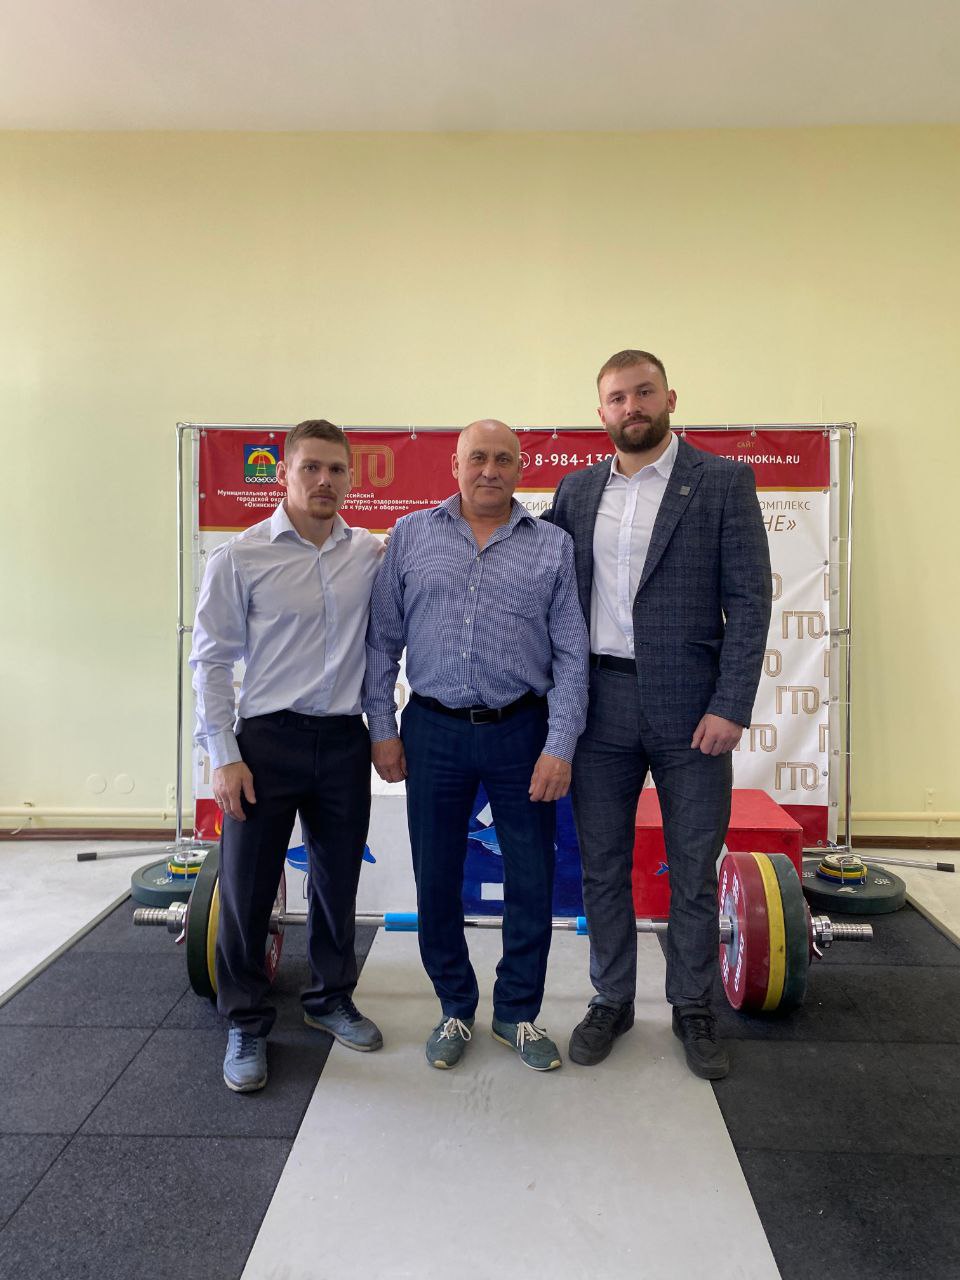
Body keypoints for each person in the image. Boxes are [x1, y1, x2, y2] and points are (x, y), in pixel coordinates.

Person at [543, 351, 771, 1079]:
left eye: (643, 392)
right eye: (617, 397)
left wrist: (731, 705)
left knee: (694, 871)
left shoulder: (724, 481)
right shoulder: (576, 491)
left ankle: (692, 1006)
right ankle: (611, 998)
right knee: (603, 866)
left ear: (670, 397)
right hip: (599, 706)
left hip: (693, 711)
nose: (631, 406)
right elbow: (546, 590)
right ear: (601, 412)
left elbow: (751, 603)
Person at [364, 420, 588, 1072]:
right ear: (455, 466)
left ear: (521, 468)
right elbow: (382, 642)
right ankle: (455, 1007)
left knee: (532, 876)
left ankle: (516, 1012)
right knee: (436, 876)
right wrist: (382, 729)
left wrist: (560, 745)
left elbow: (572, 655)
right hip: (432, 730)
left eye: (504, 459)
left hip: (523, 731)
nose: (490, 470)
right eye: (478, 458)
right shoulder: (410, 535)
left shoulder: (552, 546)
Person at [190, 419, 384, 1093]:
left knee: (337, 881)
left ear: (351, 478)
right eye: (310, 468)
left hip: (344, 739)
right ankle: (245, 1020)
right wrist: (224, 755)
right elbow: (210, 662)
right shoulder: (239, 557)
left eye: (336, 469)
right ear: (284, 474)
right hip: (264, 744)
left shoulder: (370, 554)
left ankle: (330, 998)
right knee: (246, 888)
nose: (324, 481)